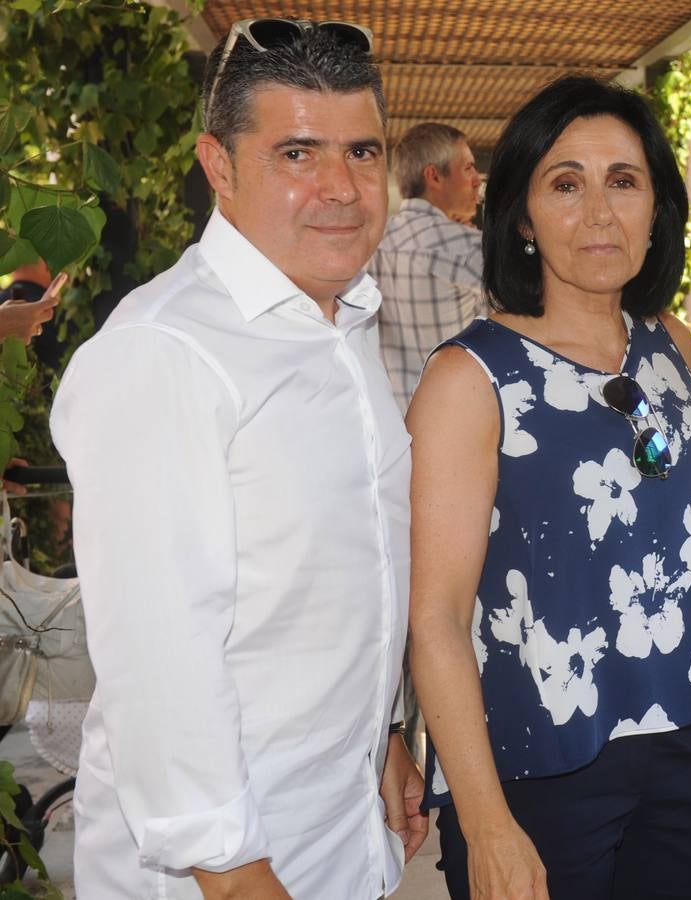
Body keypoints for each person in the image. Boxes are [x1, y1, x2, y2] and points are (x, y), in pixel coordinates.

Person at [50, 18, 425, 898]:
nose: (341, 188)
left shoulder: (341, 325)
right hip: (216, 867)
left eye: (362, 152)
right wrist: (231, 870)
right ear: (217, 166)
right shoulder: (164, 351)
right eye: (297, 154)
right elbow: (159, 651)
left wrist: (383, 732)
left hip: (339, 831)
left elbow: (338, 580)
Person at [407, 75, 691, 900]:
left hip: (677, 757)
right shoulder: (470, 379)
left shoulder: (668, 346)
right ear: (522, 217)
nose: (599, 213)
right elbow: (435, 619)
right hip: (532, 776)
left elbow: (665, 540)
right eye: (566, 184)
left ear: (656, 208)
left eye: (623, 182)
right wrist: (485, 824)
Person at [368, 122, 486, 412]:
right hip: (455, 417)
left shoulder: (371, 240)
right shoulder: (464, 245)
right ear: (434, 176)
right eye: (468, 168)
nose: (477, 179)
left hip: (389, 418)